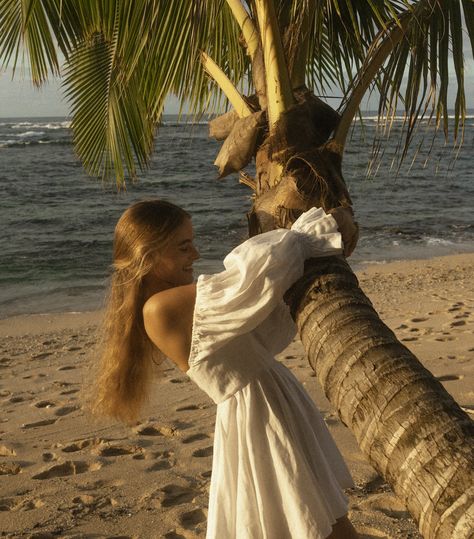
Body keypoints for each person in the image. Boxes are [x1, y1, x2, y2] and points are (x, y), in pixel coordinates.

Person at [93, 199, 360, 539]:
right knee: (318, 522)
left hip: (270, 399)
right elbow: (252, 275)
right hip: (260, 414)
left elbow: (261, 296)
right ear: (150, 255)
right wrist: (326, 223)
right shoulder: (159, 310)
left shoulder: (175, 302)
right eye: (184, 246)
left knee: (325, 520)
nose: (196, 254)